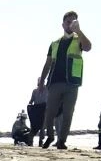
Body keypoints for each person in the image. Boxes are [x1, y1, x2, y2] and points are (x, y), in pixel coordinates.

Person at [39, 11, 92, 149]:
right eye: (68, 22)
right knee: (50, 113)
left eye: (74, 21)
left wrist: (79, 31)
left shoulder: (78, 39)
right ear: (63, 24)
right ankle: (50, 136)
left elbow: (88, 47)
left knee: (68, 114)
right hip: (55, 82)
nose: (71, 24)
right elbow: (48, 63)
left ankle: (62, 140)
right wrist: (41, 81)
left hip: (72, 83)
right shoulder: (55, 43)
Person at [27, 77, 48, 147]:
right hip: (36, 109)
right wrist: (29, 106)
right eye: (40, 82)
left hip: (44, 109)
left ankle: (40, 141)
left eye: (43, 82)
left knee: (42, 127)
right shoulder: (35, 91)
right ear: (38, 83)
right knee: (34, 126)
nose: (41, 83)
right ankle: (30, 141)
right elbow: (31, 100)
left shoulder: (47, 89)